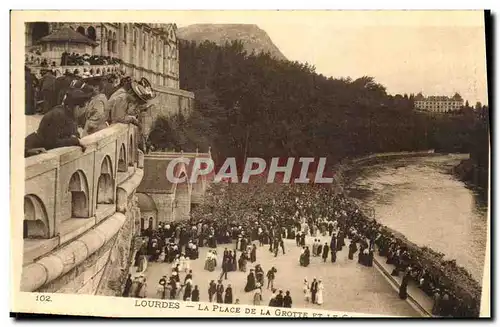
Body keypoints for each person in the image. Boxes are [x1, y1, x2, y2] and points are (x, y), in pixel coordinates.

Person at [25, 88, 91, 157]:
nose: (84, 112)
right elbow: (52, 143)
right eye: (84, 109)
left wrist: (75, 138)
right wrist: (74, 141)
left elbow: (74, 134)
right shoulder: (58, 115)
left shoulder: (70, 114)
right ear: (77, 107)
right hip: (30, 149)